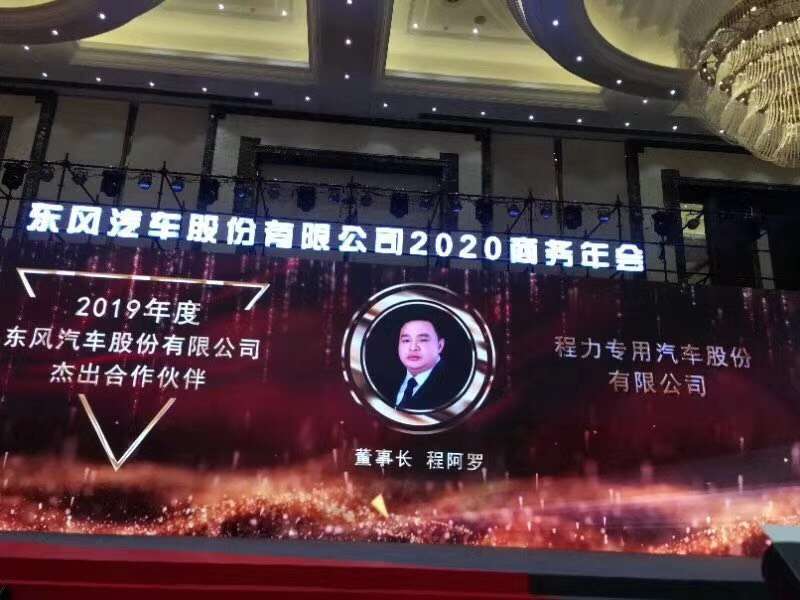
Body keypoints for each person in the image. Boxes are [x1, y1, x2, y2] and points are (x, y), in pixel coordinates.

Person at [391, 318, 459, 411]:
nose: (413, 348)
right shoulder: (386, 379)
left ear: (440, 346)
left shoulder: (455, 386)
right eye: (406, 340)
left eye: (423, 340)